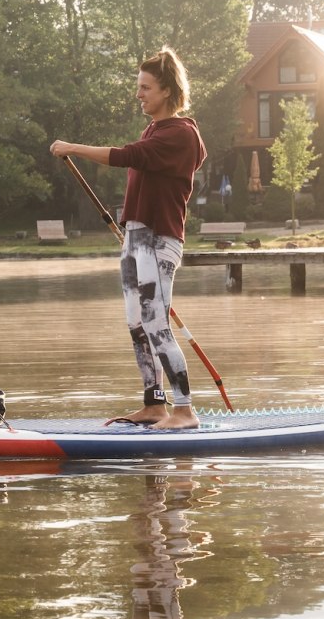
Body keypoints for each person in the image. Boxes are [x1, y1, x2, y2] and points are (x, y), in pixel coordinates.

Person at [50, 48, 207, 430]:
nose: (139, 95)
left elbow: (126, 156)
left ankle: (184, 411)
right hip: (135, 238)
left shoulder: (180, 134)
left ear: (167, 91)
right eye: (138, 87)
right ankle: (155, 404)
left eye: (146, 88)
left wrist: (73, 148)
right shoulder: (154, 130)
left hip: (159, 241)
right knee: (136, 322)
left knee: (157, 324)